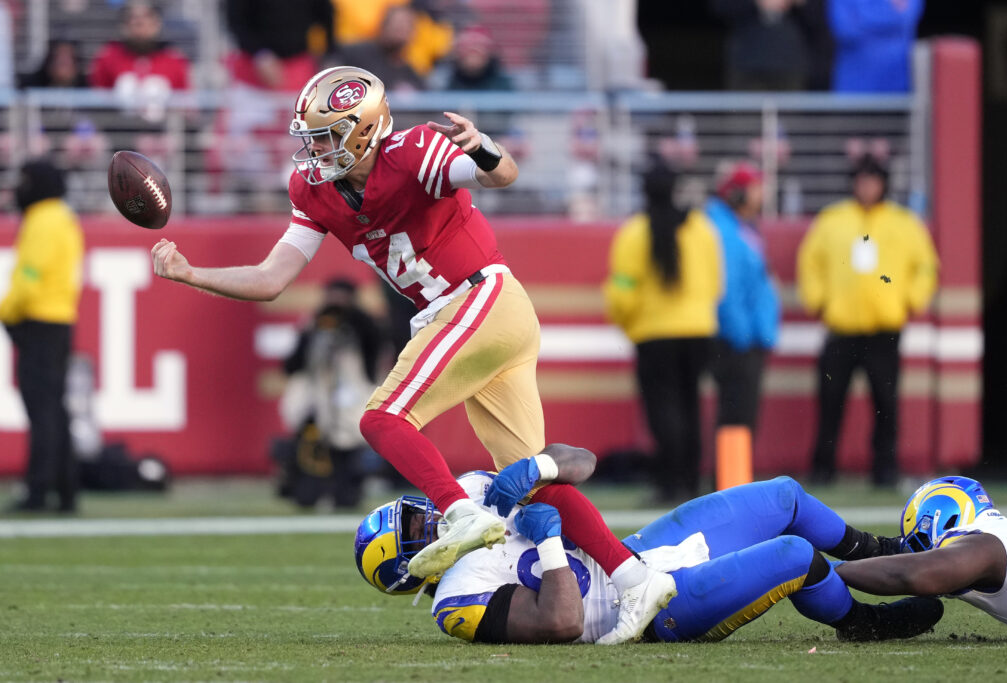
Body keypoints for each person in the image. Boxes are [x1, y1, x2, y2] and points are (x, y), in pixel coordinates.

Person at [149, 66, 675, 644]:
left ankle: (460, 512)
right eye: (312, 136)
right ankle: (635, 578)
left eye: (326, 136)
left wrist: (485, 148)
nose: (315, 149)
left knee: (382, 417)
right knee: (531, 485)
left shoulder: (414, 151)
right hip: (476, 312)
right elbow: (273, 277)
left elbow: (500, 176)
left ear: (364, 130)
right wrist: (191, 273)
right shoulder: (314, 190)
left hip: (478, 297)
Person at [354, 445, 943, 644]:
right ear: (410, 569)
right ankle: (861, 622)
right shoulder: (456, 600)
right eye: (413, 533)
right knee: (794, 555)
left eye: (412, 514)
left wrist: (535, 465)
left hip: (640, 549)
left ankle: (886, 552)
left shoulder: (469, 496)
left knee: (785, 497)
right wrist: (552, 546)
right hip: (647, 610)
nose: (428, 520)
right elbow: (559, 622)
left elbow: (581, 462)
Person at [797, 154, 938, 486]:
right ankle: (823, 468)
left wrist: (910, 301)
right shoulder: (832, 220)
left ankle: (885, 470)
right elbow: (810, 263)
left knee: (886, 405)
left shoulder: (903, 222)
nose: (867, 187)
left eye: (873, 180)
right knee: (831, 401)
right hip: (842, 327)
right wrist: (819, 301)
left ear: (884, 184)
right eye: (861, 180)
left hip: (884, 329)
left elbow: (927, 266)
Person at [604, 162, 721, 502]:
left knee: (663, 410)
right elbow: (716, 282)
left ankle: (670, 484)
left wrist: (629, 324)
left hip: (654, 333)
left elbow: (622, 289)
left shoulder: (634, 232)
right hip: (699, 330)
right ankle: (691, 482)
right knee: (691, 406)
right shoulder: (701, 227)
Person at [836, 476, 1007, 634]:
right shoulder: (1000, 534)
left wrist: (827, 569)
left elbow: (911, 573)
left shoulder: (984, 544)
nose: (920, 552)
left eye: (921, 541)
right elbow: (891, 551)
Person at [0, 160, 84, 513]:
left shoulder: (41, 220)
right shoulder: (64, 218)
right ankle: (65, 490)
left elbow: (28, 280)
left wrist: (6, 312)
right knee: (56, 410)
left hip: (38, 323)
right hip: (61, 321)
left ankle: (39, 491)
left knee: (43, 411)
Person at [279, 278, 381, 508]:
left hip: (350, 400)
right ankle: (305, 491)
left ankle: (346, 493)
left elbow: (373, 353)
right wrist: (315, 331)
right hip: (317, 401)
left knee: (348, 449)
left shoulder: (364, 325)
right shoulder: (314, 325)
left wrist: (352, 320)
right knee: (309, 450)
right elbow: (292, 365)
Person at [703, 163, 779, 441]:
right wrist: (743, 335)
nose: (760, 196)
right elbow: (728, 288)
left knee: (742, 416)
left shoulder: (740, 228)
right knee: (737, 416)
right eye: (754, 189)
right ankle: (732, 480)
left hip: (747, 337)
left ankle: (735, 479)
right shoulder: (725, 231)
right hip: (738, 341)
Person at [712, 0, 826, 91]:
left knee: (790, 118)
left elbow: (821, 19)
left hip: (791, 64)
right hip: (747, 63)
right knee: (745, 119)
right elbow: (720, 7)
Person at [225, 0, 334, 93]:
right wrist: (260, 54)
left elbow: (326, 15)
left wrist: (329, 55)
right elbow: (236, 21)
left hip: (298, 68)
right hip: (251, 74)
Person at [827, 0, 924, 93]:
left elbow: (906, 18)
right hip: (854, 87)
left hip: (899, 85)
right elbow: (846, 30)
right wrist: (891, 14)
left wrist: (862, 17)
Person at [326, 5, 424, 91]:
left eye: (406, 26)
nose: (400, 30)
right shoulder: (356, 53)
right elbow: (328, 74)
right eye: (396, 25)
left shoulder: (410, 73)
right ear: (384, 26)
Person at [431, 25, 514, 91]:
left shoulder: (504, 85)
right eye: (467, 48)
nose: (473, 56)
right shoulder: (443, 83)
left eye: (479, 47)